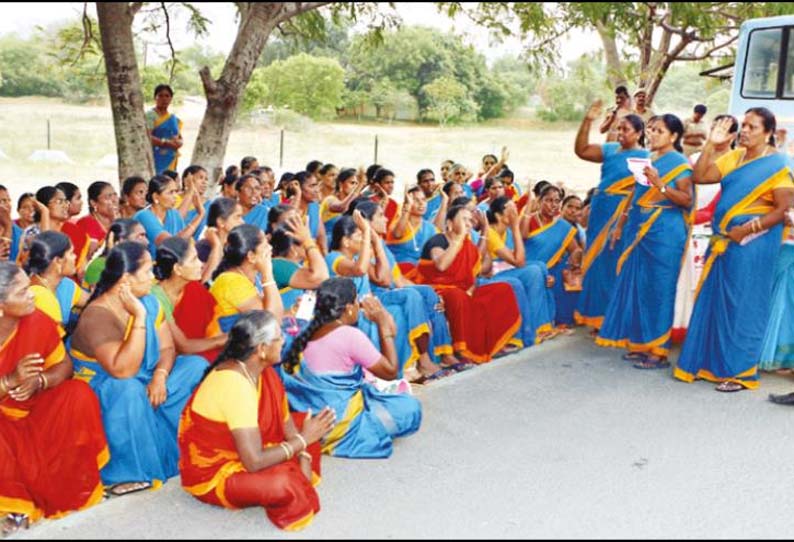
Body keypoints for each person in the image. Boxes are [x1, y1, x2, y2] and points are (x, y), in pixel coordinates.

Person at [69, 242, 207, 494]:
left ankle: (188, 450)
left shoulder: (149, 301)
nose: (153, 278)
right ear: (125, 279)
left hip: (145, 376)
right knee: (127, 388)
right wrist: (140, 318)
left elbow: (167, 349)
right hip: (104, 386)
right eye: (146, 273)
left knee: (195, 367)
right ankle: (127, 472)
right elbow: (122, 370)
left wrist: (160, 376)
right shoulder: (98, 315)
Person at [179, 310, 334, 530]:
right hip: (216, 472)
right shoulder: (235, 385)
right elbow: (253, 461)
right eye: (278, 337)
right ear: (261, 349)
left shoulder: (265, 372)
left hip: (249, 447)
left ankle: (294, 466)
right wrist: (303, 442)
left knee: (306, 423)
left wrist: (304, 441)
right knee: (284, 483)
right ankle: (290, 472)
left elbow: (289, 427)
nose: (283, 341)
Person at [676, 108, 794, 392]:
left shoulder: (778, 164)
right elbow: (701, 176)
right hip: (725, 240)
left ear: (767, 132)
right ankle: (712, 364)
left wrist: (747, 230)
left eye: (752, 127)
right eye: (743, 125)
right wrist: (711, 144)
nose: (744, 131)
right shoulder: (735, 156)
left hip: (754, 243)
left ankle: (739, 371)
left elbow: (783, 210)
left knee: (744, 305)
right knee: (718, 300)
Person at [0, 261, 107, 535]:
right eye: (23, 292)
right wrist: (9, 381)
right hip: (3, 418)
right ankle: (14, 505)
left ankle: (76, 483)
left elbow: (64, 366)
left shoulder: (36, 320)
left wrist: (40, 380)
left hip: (35, 407)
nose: (33, 295)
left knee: (77, 394)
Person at [281, 277, 421, 458]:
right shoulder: (349, 336)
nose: (358, 306)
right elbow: (390, 371)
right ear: (348, 308)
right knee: (409, 408)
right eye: (356, 301)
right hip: (338, 424)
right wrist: (382, 324)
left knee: (371, 390)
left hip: (306, 418)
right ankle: (351, 434)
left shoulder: (301, 327)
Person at [596, 114, 693, 369]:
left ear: (673, 136)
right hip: (639, 229)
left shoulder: (680, 163)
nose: (652, 134)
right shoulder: (648, 160)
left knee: (660, 289)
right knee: (640, 287)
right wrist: (620, 224)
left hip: (664, 232)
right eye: (650, 129)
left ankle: (659, 350)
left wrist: (660, 184)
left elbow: (686, 199)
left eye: (659, 130)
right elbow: (637, 194)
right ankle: (640, 344)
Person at [352, 199, 462, 377]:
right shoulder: (361, 248)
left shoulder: (381, 246)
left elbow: (400, 280)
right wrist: (375, 242)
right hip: (376, 297)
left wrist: (430, 292)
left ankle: (445, 355)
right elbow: (385, 280)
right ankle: (424, 361)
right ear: (367, 222)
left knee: (427, 292)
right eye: (380, 216)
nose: (386, 219)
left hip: (392, 292)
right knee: (411, 296)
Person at [325, 213, 442, 381]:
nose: (363, 239)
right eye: (359, 235)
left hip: (370, 303)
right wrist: (367, 232)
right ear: (346, 242)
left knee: (410, 298)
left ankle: (413, 364)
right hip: (351, 312)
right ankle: (397, 371)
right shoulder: (333, 258)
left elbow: (384, 279)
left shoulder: (358, 256)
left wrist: (377, 244)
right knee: (393, 314)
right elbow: (359, 270)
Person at [573, 101, 649, 332]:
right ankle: (595, 316)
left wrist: (627, 217)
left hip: (623, 213)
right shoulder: (610, 150)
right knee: (595, 263)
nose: (620, 133)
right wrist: (587, 120)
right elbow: (582, 150)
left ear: (638, 133)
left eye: (626, 129)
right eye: (618, 128)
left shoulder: (645, 156)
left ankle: (613, 319)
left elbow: (642, 191)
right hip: (601, 209)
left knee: (613, 262)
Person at [414, 205, 522, 363]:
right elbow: (441, 265)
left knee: (502, 289)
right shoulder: (438, 241)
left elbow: (472, 276)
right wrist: (457, 240)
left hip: (462, 290)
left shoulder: (468, 245)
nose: (468, 224)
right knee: (458, 296)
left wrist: (470, 291)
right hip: (438, 290)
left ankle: (493, 345)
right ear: (450, 223)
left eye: (470, 221)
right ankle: (462, 351)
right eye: (463, 219)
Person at [485, 196, 557, 345]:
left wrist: (514, 228)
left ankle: (546, 324)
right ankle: (533, 330)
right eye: (510, 209)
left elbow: (519, 257)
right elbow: (519, 262)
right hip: (493, 273)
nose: (515, 211)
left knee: (541, 267)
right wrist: (516, 227)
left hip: (507, 268)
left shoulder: (507, 232)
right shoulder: (490, 233)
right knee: (533, 273)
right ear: (498, 215)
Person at [152, 237, 227, 363]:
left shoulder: (194, 289)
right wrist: (225, 340)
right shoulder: (156, 297)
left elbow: (213, 330)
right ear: (177, 269)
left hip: (197, 351)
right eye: (194, 260)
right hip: (162, 361)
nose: (200, 264)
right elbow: (184, 346)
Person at [520, 185, 583, 331]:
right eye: (548, 200)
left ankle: (563, 319)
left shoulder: (562, 225)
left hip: (552, 268)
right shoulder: (529, 219)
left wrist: (573, 260)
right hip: (528, 266)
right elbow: (522, 236)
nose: (553, 205)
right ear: (540, 201)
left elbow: (576, 249)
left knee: (563, 270)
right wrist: (528, 209)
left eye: (556, 201)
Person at [208, 224, 283, 335]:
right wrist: (268, 274)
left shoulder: (251, 278)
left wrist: (292, 311)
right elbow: (271, 324)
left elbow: (271, 310)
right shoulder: (232, 282)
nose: (270, 248)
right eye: (265, 245)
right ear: (251, 256)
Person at [25, 231, 88, 334]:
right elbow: (51, 345)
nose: (75, 257)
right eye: (71, 253)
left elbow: (92, 301)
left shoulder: (66, 285)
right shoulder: (40, 297)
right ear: (58, 261)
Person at [134, 175, 205, 257]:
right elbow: (170, 244)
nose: (176, 196)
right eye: (170, 192)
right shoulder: (144, 216)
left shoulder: (173, 214)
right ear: (156, 197)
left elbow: (186, 243)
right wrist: (200, 215)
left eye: (176, 191)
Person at [387, 186, 444, 273]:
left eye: (423, 200)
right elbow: (397, 234)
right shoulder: (399, 222)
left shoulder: (428, 227)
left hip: (419, 271)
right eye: (416, 200)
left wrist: (445, 202)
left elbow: (439, 239)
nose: (421, 203)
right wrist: (407, 208)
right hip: (397, 271)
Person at [83, 218, 149, 290]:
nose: (147, 242)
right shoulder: (99, 266)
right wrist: (116, 260)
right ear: (121, 241)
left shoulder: (141, 264)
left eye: (145, 236)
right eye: (140, 236)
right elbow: (104, 297)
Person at [285, 171, 327, 255]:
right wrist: (298, 194)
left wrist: (325, 257)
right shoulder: (288, 206)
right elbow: (288, 219)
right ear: (299, 188)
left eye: (316, 185)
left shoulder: (314, 207)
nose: (316, 190)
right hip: (293, 255)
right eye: (312, 186)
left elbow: (321, 236)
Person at [319, 168, 363, 248]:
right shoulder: (330, 199)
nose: (355, 186)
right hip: (327, 244)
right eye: (352, 183)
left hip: (347, 245)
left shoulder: (355, 204)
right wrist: (358, 188)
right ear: (341, 184)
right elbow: (341, 207)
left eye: (357, 184)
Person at [146, 84, 184, 175]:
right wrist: (165, 142)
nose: (164, 99)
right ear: (155, 98)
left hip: (171, 158)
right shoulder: (150, 115)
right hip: (156, 157)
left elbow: (179, 137)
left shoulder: (173, 118)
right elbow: (147, 137)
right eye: (160, 96)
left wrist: (180, 143)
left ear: (171, 98)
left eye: (167, 96)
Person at [76, 181, 119, 259]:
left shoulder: (118, 220)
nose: (114, 200)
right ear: (93, 203)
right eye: (108, 197)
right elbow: (90, 256)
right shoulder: (86, 224)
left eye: (115, 195)